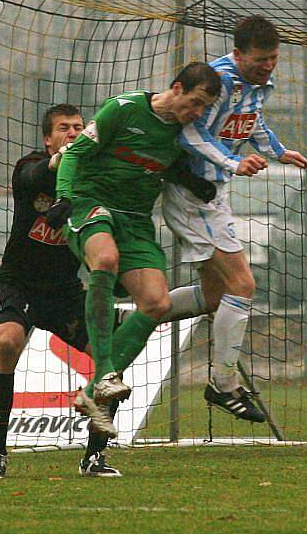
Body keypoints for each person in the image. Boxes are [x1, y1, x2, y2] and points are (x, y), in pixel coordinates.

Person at [47, 62, 222, 437]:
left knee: (157, 303)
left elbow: (162, 165)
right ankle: (107, 372)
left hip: (137, 221)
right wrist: (63, 198)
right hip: (90, 202)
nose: (195, 113)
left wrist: (191, 180)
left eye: (203, 108)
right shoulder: (123, 109)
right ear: (176, 88)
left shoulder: (185, 135)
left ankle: (93, 392)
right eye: (193, 103)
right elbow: (75, 155)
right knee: (105, 259)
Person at [161, 15, 307, 422]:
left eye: (274, 58)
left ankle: (147, 310)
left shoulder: (257, 85)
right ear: (239, 53)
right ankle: (223, 385)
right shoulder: (219, 80)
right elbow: (188, 134)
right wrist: (232, 160)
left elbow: (252, 121)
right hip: (193, 195)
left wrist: (279, 150)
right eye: (261, 59)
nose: (268, 65)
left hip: (214, 195)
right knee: (243, 285)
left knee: (216, 296)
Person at [0, 104, 121, 480]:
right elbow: (33, 176)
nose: (73, 133)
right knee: (8, 342)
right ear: (48, 138)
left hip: (64, 293)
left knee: (112, 358)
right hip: (18, 283)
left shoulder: (92, 180)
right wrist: (61, 161)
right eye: (64, 128)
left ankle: (94, 457)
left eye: (79, 127)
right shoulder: (31, 167)